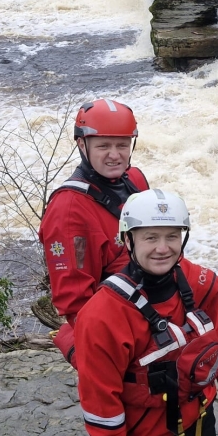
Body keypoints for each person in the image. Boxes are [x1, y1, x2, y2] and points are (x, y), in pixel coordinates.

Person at [74, 189, 218, 436]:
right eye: (150, 237)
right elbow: (101, 406)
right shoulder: (102, 316)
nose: (162, 248)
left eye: (171, 236)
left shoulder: (200, 283)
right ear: (128, 240)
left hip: (200, 427)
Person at [39, 98, 149, 335]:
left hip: (150, 310)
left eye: (122, 145)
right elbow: (76, 304)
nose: (115, 155)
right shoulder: (68, 211)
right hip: (115, 328)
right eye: (103, 146)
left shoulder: (136, 179)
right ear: (81, 144)